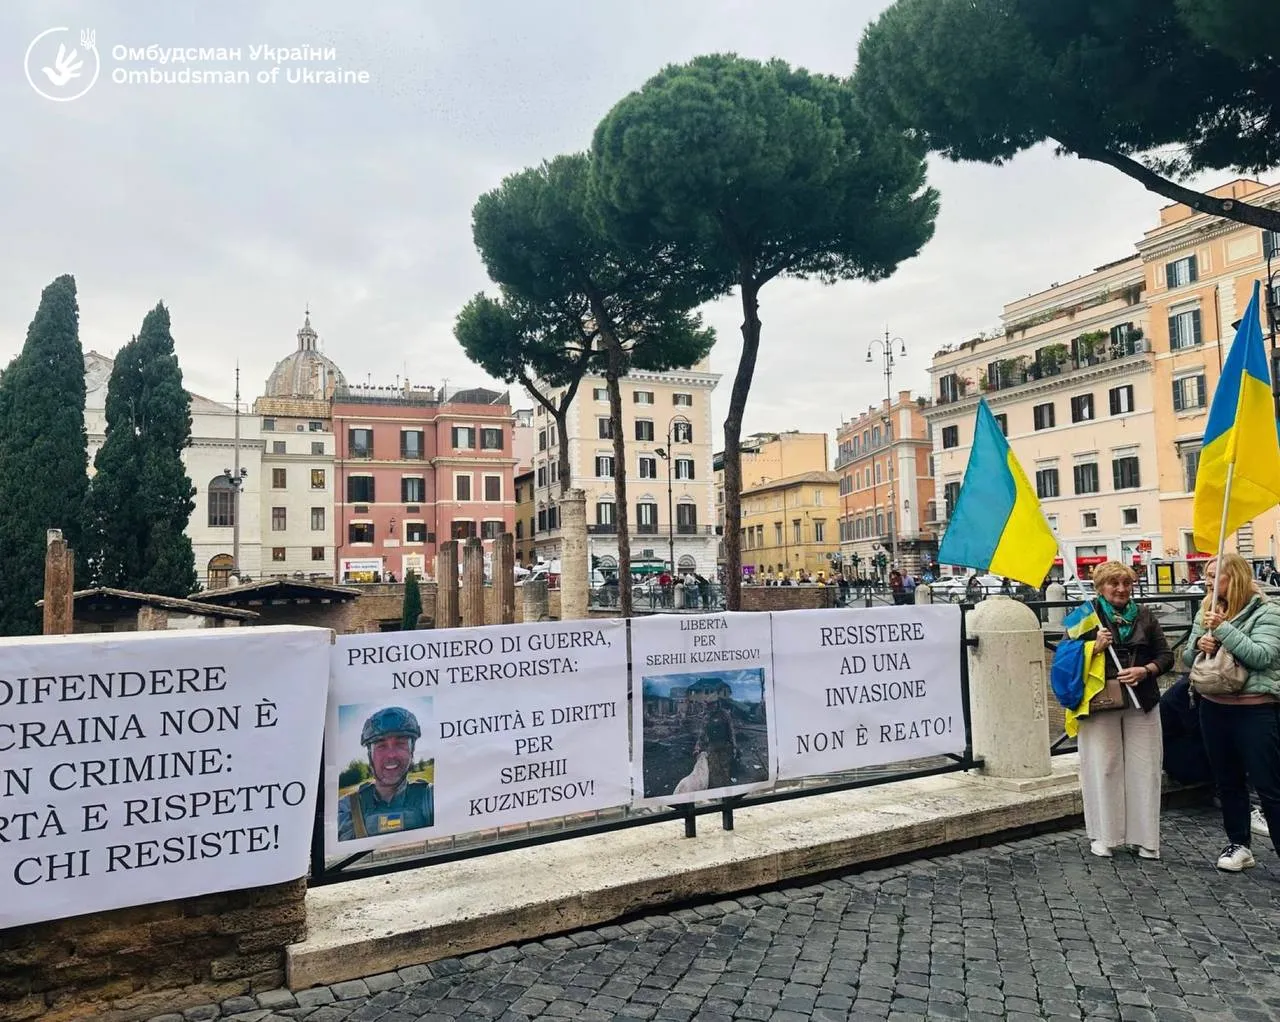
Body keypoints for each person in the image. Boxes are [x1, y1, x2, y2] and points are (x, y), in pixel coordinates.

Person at [1183, 552, 1280, 871]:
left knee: (1268, 784)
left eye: (1215, 576)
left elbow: (1262, 656)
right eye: (1207, 576)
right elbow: (1186, 657)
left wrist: (1223, 630)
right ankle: (1239, 844)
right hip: (1214, 707)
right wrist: (1199, 646)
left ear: (1235, 577)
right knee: (1227, 780)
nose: (1208, 582)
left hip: (1255, 709)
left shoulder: (1267, 611)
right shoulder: (1206, 610)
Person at [1077, 561, 1174, 859]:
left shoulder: (1144, 615)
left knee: (1144, 768)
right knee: (1103, 767)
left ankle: (1144, 839)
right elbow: (1065, 658)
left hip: (1141, 700)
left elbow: (1166, 655)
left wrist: (1146, 670)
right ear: (1100, 587)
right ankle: (1104, 836)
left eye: (1126, 583)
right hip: (1100, 701)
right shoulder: (1086, 614)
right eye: (1113, 583)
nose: (1121, 589)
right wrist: (1093, 647)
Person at [337, 706, 435, 841]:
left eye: (400, 743)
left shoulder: (430, 797)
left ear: (412, 751)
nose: (391, 755)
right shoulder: (345, 810)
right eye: (381, 746)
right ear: (370, 755)